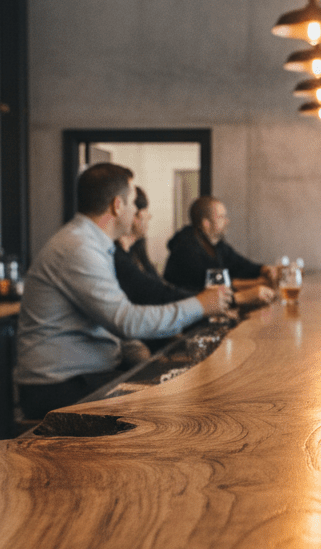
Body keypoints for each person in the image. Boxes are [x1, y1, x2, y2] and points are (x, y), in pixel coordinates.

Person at [16, 164, 230, 419]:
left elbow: (109, 317)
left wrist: (136, 352)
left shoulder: (92, 244)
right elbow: (126, 321)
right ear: (117, 206)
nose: (136, 211)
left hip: (84, 377)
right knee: (181, 406)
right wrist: (200, 304)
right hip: (60, 387)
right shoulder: (79, 248)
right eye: (132, 202)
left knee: (181, 388)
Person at [164, 196, 275, 293]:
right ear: (206, 224)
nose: (227, 221)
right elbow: (215, 285)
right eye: (221, 217)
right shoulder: (186, 248)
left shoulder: (217, 244)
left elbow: (241, 265)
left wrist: (264, 269)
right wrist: (259, 283)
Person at [114, 186, 194, 307]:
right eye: (145, 209)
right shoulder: (117, 255)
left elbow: (161, 288)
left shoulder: (136, 250)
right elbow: (155, 293)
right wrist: (203, 300)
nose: (149, 216)